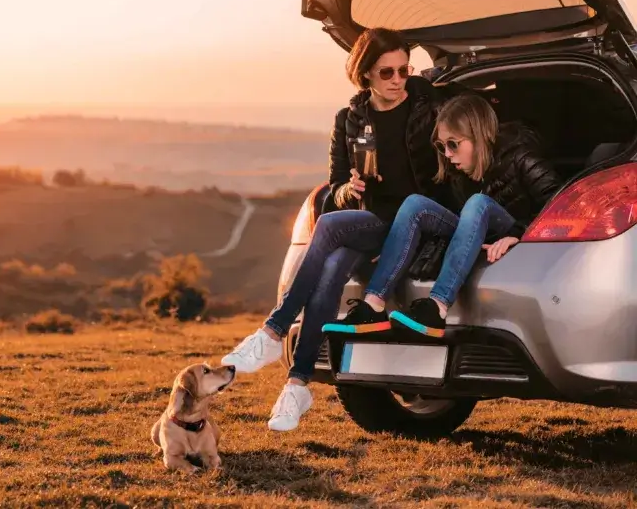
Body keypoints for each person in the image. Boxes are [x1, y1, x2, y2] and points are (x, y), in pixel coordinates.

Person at [220, 27, 460, 432]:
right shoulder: (348, 120)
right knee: (331, 258)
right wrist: (349, 189)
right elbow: (334, 190)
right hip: (374, 221)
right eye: (387, 73)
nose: (398, 80)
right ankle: (297, 384)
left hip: (417, 221)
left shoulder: (427, 102)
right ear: (365, 73)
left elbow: (461, 124)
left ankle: (275, 332)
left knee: (329, 233)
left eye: (405, 70)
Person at [324, 94, 561, 338]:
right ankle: (373, 306)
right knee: (415, 203)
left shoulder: (521, 157)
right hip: (471, 232)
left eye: (453, 144)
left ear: (479, 137)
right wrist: (398, 242)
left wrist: (518, 233)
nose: (446, 154)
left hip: (506, 227)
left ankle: (437, 308)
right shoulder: (454, 170)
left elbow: (559, 204)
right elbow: (441, 214)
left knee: (477, 202)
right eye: (441, 146)